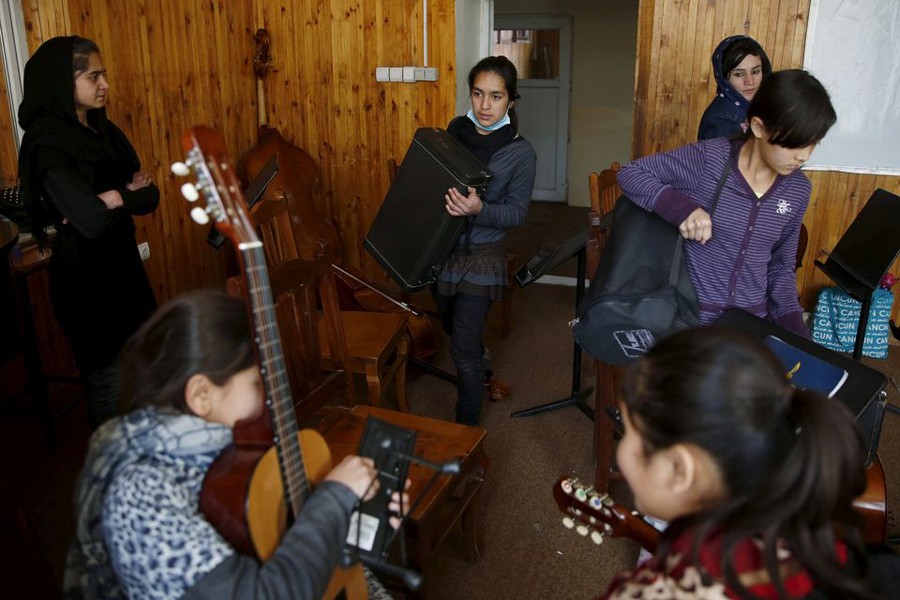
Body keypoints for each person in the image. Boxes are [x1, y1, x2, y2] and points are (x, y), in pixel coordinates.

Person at [64, 289, 408, 599]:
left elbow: (272, 541)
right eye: (257, 385)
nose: (268, 399)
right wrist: (334, 498)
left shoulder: (227, 452)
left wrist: (362, 524)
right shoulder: (139, 496)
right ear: (201, 395)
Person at [600, 326, 885, 598]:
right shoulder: (839, 559)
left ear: (679, 469)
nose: (622, 451)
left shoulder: (648, 593)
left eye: (627, 431)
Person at [617, 69, 836, 339]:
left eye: (813, 144)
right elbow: (630, 173)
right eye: (794, 144)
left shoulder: (798, 190)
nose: (803, 155)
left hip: (750, 324)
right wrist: (682, 209)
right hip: (690, 318)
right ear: (758, 127)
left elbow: (781, 269)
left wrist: (797, 334)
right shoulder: (710, 160)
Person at [17, 36, 159, 428]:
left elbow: (151, 195)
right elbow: (91, 220)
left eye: (105, 75)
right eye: (93, 76)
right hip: (86, 284)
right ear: (64, 82)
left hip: (125, 269)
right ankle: (111, 477)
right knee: (109, 385)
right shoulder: (47, 144)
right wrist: (120, 194)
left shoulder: (103, 130)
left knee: (143, 377)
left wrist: (112, 199)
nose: (105, 85)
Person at [435, 55, 537, 426]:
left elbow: (516, 213)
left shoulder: (521, 153)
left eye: (495, 96)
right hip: (441, 249)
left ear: (511, 99)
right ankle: (483, 363)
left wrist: (479, 209)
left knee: (461, 346)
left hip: (483, 255)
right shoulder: (452, 132)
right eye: (478, 94)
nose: (484, 105)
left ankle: (464, 435)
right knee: (450, 326)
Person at [698, 35, 772, 140]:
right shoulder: (719, 124)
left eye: (755, 72)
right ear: (724, 78)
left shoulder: (764, 108)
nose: (749, 81)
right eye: (739, 74)